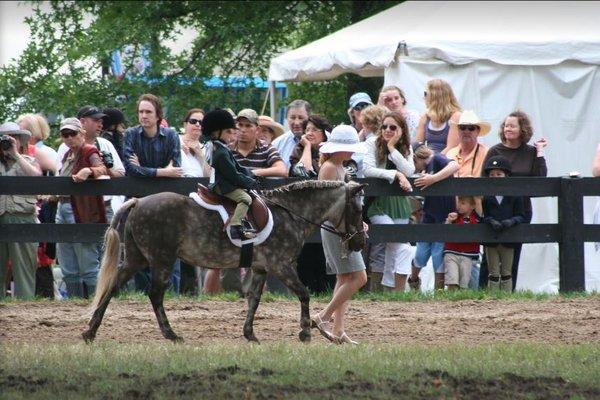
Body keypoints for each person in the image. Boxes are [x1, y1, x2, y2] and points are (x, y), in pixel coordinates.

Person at [216, 109, 288, 295]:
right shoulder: (227, 148)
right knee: (230, 242)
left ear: (257, 129)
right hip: (232, 203)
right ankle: (231, 291)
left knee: (258, 247)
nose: (243, 130)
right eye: (239, 125)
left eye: (248, 126)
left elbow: (282, 169)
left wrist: (254, 172)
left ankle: (251, 291)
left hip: (259, 206)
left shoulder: (266, 148)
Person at [311, 124, 367, 344]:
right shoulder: (330, 169)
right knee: (359, 277)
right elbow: (326, 205)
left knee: (344, 278)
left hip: (341, 228)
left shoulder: (339, 167)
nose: (353, 151)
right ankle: (323, 316)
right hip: (336, 230)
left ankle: (337, 329)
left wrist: (357, 222)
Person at [482, 110, 548, 290]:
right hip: (495, 207)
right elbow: (483, 179)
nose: (507, 129)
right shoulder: (495, 151)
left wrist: (540, 151)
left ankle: (509, 293)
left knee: (513, 252)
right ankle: (484, 292)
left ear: (522, 129)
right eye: (506, 126)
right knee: (490, 253)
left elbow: (540, 180)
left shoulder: (531, 152)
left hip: (520, 210)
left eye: (512, 126)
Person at [123, 94, 182, 293]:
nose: (144, 116)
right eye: (141, 112)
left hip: (165, 203)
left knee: (170, 249)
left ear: (158, 115)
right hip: (136, 200)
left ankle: (172, 296)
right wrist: (162, 171)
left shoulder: (171, 135)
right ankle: (143, 295)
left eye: (148, 112)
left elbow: (177, 168)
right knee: (137, 252)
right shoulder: (130, 134)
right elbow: (131, 169)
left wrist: (146, 170)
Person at [55, 118, 108, 298]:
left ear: (82, 133)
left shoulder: (89, 150)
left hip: (80, 210)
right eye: (65, 134)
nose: (69, 138)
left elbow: (102, 169)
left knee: (87, 261)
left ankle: (96, 301)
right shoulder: (66, 155)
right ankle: (75, 301)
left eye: (73, 133)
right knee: (67, 261)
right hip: (62, 207)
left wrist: (89, 171)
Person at [363, 111, 415, 291]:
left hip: (399, 205)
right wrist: (396, 174)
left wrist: (392, 148)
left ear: (401, 130)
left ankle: (388, 292)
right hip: (376, 205)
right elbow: (368, 170)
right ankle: (399, 291)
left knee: (393, 251)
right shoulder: (371, 143)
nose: (387, 130)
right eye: (384, 126)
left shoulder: (406, 147)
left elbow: (409, 171)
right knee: (403, 247)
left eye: (393, 127)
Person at [408, 142, 459, 290]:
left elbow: (455, 166)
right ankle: (414, 280)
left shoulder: (436, 159)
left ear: (416, 158)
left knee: (438, 256)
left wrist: (433, 178)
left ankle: (438, 290)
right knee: (421, 254)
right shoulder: (426, 169)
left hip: (444, 215)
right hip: (430, 215)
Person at [0, 122, 42, 300]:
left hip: (23, 218)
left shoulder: (29, 160)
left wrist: (15, 154)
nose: (9, 141)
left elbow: (36, 177)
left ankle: (26, 305)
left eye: (13, 137)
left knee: (25, 267)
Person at [204, 109, 258, 240]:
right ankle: (236, 227)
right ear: (216, 132)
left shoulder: (222, 148)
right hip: (222, 185)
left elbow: (238, 167)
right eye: (228, 132)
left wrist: (251, 175)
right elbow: (233, 175)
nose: (231, 135)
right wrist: (250, 183)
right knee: (246, 199)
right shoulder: (221, 153)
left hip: (223, 182)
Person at [177, 108, 211, 296]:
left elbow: (209, 176)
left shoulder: (206, 148)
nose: (197, 125)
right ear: (185, 123)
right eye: (193, 121)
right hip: (179, 200)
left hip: (201, 202)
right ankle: (183, 290)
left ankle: (196, 292)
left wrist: (199, 155)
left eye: (200, 122)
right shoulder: (174, 142)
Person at [482, 155, 525, 292]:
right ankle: (493, 295)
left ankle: (507, 296)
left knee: (507, 271)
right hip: (491, 238)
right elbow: (484, 215)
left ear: (506, 175)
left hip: (508, 237)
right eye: (492, 174)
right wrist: (490, 221)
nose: (495, 177)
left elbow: (521, 215)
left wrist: (510, 221)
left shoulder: (514, 195)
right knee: (493, 272)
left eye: (499, 174)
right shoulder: (487, 196)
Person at [444, 196, 481, 290]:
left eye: (463, 203)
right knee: (452, 280)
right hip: (451, 252)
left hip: (468, 254)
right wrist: (449, 221)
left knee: (464, 283)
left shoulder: (475, 219)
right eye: (459, 202)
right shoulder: (454, 217)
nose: (459, 205)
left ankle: (462, 302)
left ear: (472, 206)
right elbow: (444, 231)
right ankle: (451, 302)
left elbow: (480, 213)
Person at [415, 79, 462, 154]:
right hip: (427, 159)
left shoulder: (455, 116)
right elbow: (417, 145)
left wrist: (433, 160)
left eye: (425, 93)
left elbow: (451, 148)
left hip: (448, 161)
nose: (423, 97)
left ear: (435, 96)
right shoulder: (426, 117)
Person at [271, 99, 311, 169]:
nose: (296, 122)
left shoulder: (324, 139)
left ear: (309, 118)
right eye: (292, 118)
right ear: (286, 118)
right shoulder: (277, 144)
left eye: (301, 118)